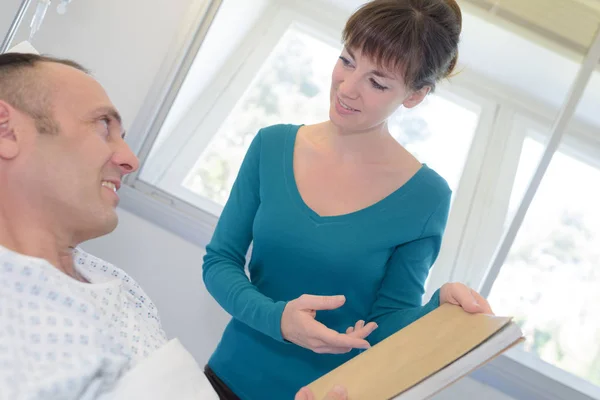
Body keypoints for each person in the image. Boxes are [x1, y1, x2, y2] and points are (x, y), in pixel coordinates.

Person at [0, 52, 348, 400]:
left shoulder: (108, 281)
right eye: (103, 126)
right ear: (6, 130)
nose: (130, 159)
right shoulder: (17, 322)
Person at [202, 0, 494, 399]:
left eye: (378, 82)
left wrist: (436, 310)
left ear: (415, 95)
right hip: (223, 380)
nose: (347, 87)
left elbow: (386, 320)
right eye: (347, 60)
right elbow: (220, 261)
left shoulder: (426, 197)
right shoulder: (271, 146)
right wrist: (278, 319)